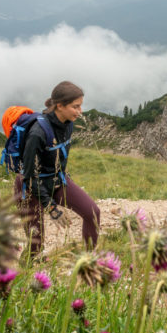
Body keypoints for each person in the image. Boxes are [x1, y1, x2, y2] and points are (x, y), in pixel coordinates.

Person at [14, 81, 100, 260]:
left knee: (93, 212)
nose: (80, 111)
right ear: (59, 106)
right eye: (75, 106)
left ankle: (88, 262)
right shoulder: (37, 133)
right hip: (31, 188)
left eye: (80, 106)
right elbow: (30, 177)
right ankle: (25, 277)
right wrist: (51, 207)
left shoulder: (68, 123)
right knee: (35, 242)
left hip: (56, 180)